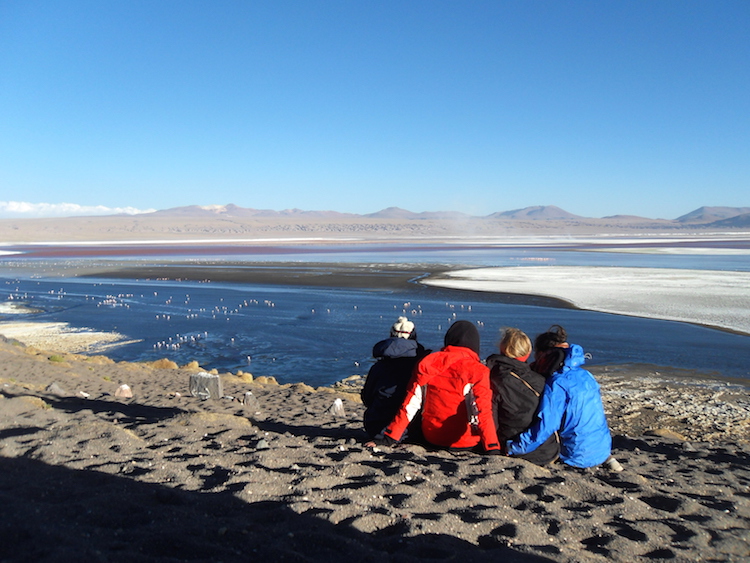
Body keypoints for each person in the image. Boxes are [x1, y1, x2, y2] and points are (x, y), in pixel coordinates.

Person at [380, 320, 501, 453]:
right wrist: (492, 447)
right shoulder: (478, 370)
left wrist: (391, 437)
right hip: (464, 442)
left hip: (432, 437)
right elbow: (482, 411)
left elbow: (410, 404)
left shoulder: (428, 363)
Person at [506, 332, 613, 469]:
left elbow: (546, 426)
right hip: (602, 449)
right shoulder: (586, 375)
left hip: (575, 456)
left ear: (542, 354)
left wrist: (514, 447)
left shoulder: (557, 383)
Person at [486, 328, 560, 465]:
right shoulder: (541, 381)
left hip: (512, 449)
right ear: (528, 353)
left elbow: (491, 419)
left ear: (502, 350)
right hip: (547, 450)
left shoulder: (494, 378)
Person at [361, 317, 428, 440]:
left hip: (377, 428)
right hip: (413, 429)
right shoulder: (421, 367)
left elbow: (367, 398)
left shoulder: (378, 367)